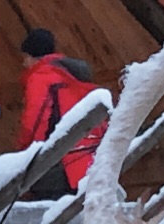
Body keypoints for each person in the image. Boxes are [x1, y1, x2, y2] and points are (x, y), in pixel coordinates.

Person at [16, 29, 104, 199]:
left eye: (25, 58)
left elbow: (36, 121)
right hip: (85, 161)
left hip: (57, 165)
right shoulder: (72, 75)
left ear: (32, 56)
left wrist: (26, 156)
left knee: (47, 217)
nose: (24, 64)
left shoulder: (42, 77)